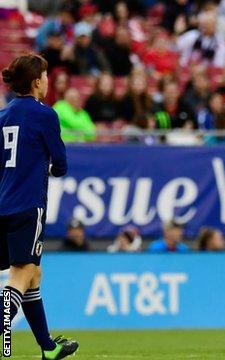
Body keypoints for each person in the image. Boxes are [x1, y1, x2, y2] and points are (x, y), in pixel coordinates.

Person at [0, 54, 78, 359]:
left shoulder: (3, 116)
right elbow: (60, 164)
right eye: (44, 76)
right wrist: (46, 167)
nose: (47, 81)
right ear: (36, 81)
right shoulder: (45, 115)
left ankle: (48, 347)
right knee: (21, 276)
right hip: (29, 205)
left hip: (3, 205)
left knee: (33, 275)